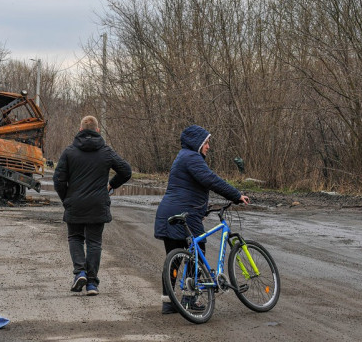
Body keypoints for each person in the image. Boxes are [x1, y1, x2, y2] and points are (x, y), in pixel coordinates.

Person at [154, 125, 249, 314]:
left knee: (174, 259)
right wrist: (236, 195)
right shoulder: (192, 157)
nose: (208, 146)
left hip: (170, 213)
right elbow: (210, 180)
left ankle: (168, 302)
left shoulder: (183, 156)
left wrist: (202, 210)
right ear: (197, 143)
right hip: (184, 215)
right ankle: (189, 299)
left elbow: (187, 189)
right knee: (197, 254)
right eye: (206, 142)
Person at [53, 115, 132, 296]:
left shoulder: (69, 151)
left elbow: (58, 179)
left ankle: (79, 272)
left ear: (80, 130)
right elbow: (126, 170)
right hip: (97, 203)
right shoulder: (106, 151)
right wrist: (111, 185)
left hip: (75, 203)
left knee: (75, 238)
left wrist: (67, 198)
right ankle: (91, 284)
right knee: (94, 242)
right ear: (97, 131)